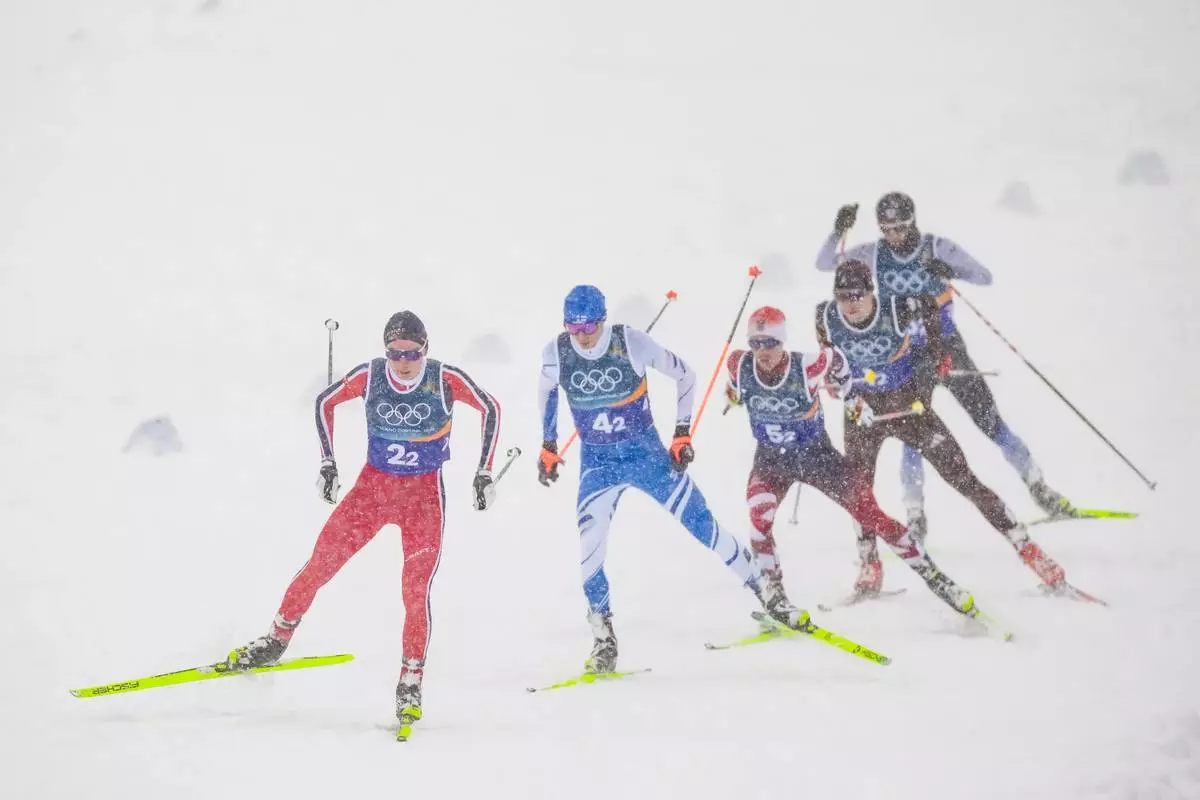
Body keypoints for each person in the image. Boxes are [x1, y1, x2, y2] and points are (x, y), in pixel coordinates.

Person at [225, 310, 501, 729]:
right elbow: (325, 402)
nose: (403, 361)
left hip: (423, 501)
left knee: (414, 591)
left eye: (412, 353)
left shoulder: (444, 379)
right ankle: (275, 640)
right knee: (319, 566)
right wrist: (328, 462)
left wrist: (484, 470)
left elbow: (490, 407)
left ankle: (410, 681)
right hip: (372, 493)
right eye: (395, 353)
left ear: (426, 350)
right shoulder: (371, 376)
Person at [536, 285, 805, 673]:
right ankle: (603, 638)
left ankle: (767, 593)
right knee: (589, 549)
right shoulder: (556, 352)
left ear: (603, 319)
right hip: (599, 465)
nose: (582, 336)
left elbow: (686, 375)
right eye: (573, 327)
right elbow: (546, 390)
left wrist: (681, 434)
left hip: (647, 459)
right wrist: (548, 444)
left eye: (589, 326)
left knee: (702, 525)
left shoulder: (630, 342)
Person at [814, 192, 1075, 540]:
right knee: (914, 433)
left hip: (946, 347)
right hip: (904, 356)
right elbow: (825, 263)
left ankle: (1039, 486)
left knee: (990, 422)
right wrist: (838, 230)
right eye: (887, 229)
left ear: (912, 222)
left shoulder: (935, 247)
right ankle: (915, 513)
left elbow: (984, 276)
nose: (894, 235)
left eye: (900, 227)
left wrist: (951, 270)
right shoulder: (874, 254)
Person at [816, 260, 1076, 594]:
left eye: (857, 295)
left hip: (907, 408)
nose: (850, 304)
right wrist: (839, 386)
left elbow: (929, 304)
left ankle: (1029, 549)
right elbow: (829, 359)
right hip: (863, 413)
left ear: (871, 292)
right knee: (858, 492)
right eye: (842, 296)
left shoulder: (896, 308)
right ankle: (869, 563)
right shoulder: (826, 316)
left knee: (963, 478)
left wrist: (938, 355)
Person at [725, 305, 976, 613]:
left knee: (872, 516)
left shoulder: (808, 366)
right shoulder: (738, 363)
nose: (763, 351)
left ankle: (937, 579)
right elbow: (734, 387)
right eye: (756, 343)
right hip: (771, 462)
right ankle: (773, 593)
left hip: (818, 458)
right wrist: (732, 394)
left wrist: (851, 398)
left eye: (771, 342)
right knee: (758, 519)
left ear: (782, 341)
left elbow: (836, 359)